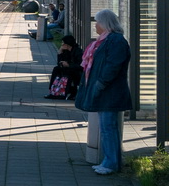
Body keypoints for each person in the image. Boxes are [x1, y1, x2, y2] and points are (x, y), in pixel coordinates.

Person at [74, 9, 133, 175]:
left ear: (106, 23)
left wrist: (100, 83)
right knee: (106, 128)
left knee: (109, 128)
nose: (95, 26)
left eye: (97, 22)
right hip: (106, 91)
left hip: (110, 92)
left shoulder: (116, 41)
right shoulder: (105, 40)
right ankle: (109, 161)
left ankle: (111, 163)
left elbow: (113, 65)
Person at [45, 34, 83, 99]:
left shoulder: (78, 51)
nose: (62, 45)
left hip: (76, 71)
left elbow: (80, 65)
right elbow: (59, 63)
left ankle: (64, 92)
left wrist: (69, 65)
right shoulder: (65, 51)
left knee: (67, 73)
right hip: (68, 69)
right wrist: (60, 53)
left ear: (67, 44)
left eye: (63, 43)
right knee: (56, 69)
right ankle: (53, 89)